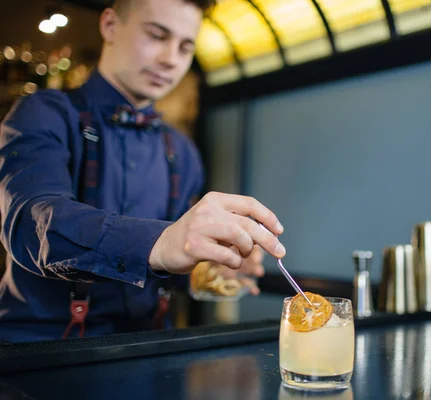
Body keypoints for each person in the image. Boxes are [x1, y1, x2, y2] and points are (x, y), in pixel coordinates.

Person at [0, 0, 287, 343]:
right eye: (156, 35)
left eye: (185, 47)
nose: (171, 59)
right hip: (41, 355)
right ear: (109, 25)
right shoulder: (42, 114)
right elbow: (32, 222)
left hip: (148, 350)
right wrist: (163, 241)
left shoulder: (183, 151)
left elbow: (176, 262)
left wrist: (211, 267)